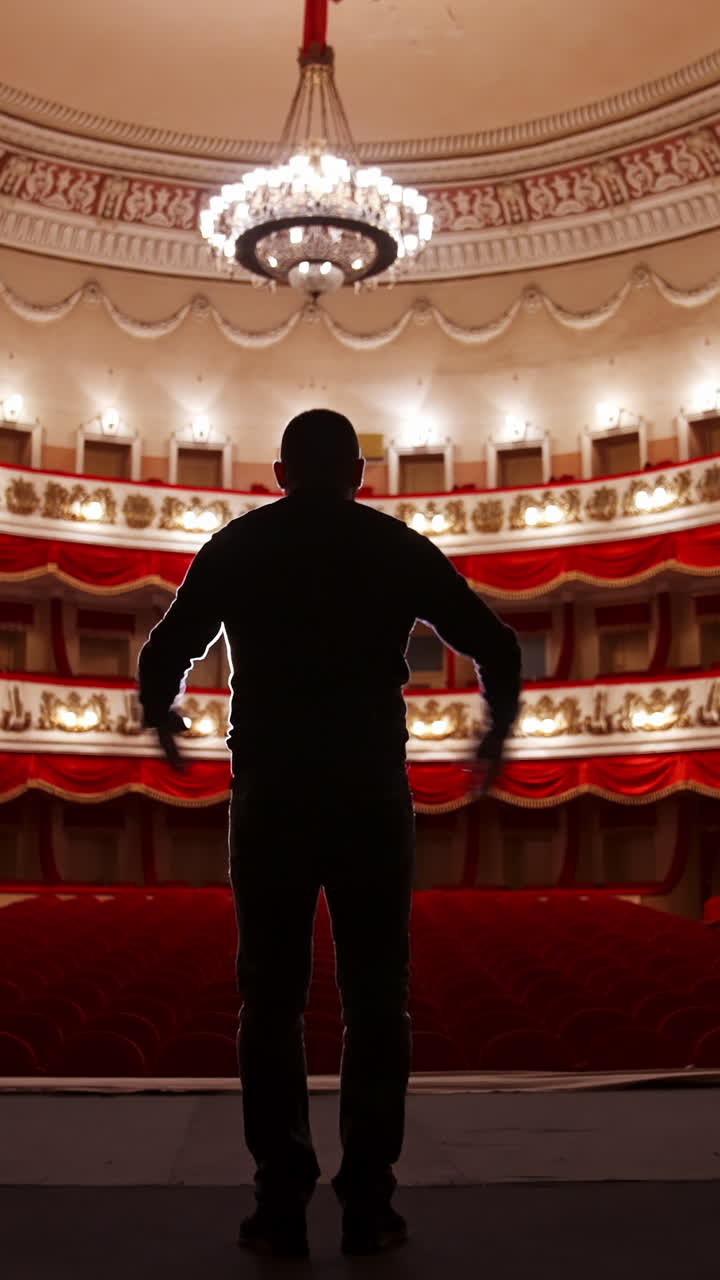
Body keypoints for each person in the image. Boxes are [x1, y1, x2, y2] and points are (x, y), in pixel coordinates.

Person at [137, 408, 522, 1258]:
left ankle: (279, 1203)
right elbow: (498, 644)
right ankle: (369, 1206)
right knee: (377, 1001)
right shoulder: (394, 545)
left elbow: (161, 656)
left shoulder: (239, 546)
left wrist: (166, 729)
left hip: (271, 794)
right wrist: (493, 738)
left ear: (281, 473)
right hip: (369, 795)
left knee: (268, 1003)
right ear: (356, 475)